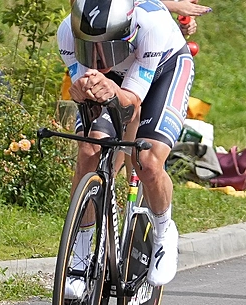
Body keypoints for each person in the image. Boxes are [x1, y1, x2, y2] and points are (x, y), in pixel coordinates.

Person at [57, 0, 195, 298]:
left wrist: (112, 91)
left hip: (163, 70)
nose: (99, 58)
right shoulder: (67, 32)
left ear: (128, 33)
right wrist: (80, 91)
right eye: (90, 49)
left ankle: (163, 231)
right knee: (89, 152)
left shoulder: (152, 25)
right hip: (118, 80)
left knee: (147, 160)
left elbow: (132, 105)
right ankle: (80, 254)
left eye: (108, 49)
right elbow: (84, 89)